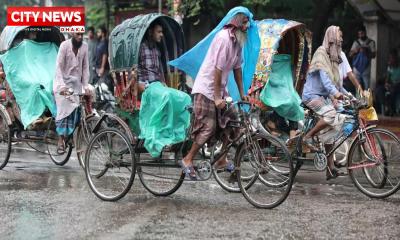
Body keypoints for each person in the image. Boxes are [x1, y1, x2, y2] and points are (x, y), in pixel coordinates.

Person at [179, 12, 251, 179]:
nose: (247, 27)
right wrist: (217, 98)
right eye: (245, 22)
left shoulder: (238, 42)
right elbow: (217, 69)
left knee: (235, 123)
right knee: (209, 126)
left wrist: (242, 93)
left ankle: (221, 159)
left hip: (220, 90)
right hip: (206, 89)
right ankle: (188, 159)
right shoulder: (223, 38)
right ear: (237, 23)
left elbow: (237, 68)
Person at [302, 26, 348, 180]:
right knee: (331, 114)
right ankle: (308, 137)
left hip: (323, 97)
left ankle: (330, 168)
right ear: (332, 37)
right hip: (311, 96)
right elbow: (326, 81)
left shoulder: (334, 57)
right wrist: (336, 94)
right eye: (339, 36)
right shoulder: (321, 53)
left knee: (333, 131)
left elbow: (337, 84)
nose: (341, 39)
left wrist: (350, 96)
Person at [54, 33, 91, 154]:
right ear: (71, 34)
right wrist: (62, 86)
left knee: (85, 101)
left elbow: (85, 68)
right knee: (65, 103)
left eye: (81, 34)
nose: (80, 37)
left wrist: (85, 85)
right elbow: (58, 67)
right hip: (62, 83)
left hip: (77, 84)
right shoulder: (64, 46)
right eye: (77, 34)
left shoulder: (85, 46)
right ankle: (60, 138)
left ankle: (75, 135)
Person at [137, 21, 166, 91]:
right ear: (150, 32)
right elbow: (133, 69)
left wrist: (163, 82)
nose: (161, 34)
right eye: (159, 32)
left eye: (161, 32)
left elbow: (159, 70)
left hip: (157, 85)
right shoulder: (141, 47)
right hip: (146, 85)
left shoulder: (157, 49)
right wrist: (138, 84)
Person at [349, 25, 376, 90]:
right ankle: (358, 100)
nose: (361, 35)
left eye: (362, 33)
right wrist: (357, 50)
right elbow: (350, 54)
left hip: (366, 68)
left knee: (367, 88)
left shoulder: (371, 42)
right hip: (356, 68)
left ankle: (367, 100)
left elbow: (374, 55)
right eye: (359, 34)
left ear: (365, 32)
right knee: (357, 87)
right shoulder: (356, 42)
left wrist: (366, 51)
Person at [95, 26, 112, 92]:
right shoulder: (100, 42)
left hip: (103, 69)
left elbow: (105, 55)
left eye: (99, 32)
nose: (97, 34)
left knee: (104, 85)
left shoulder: (105, 42)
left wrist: (102, 67)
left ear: (103, 34)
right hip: (98, 67)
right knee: (100, 85)